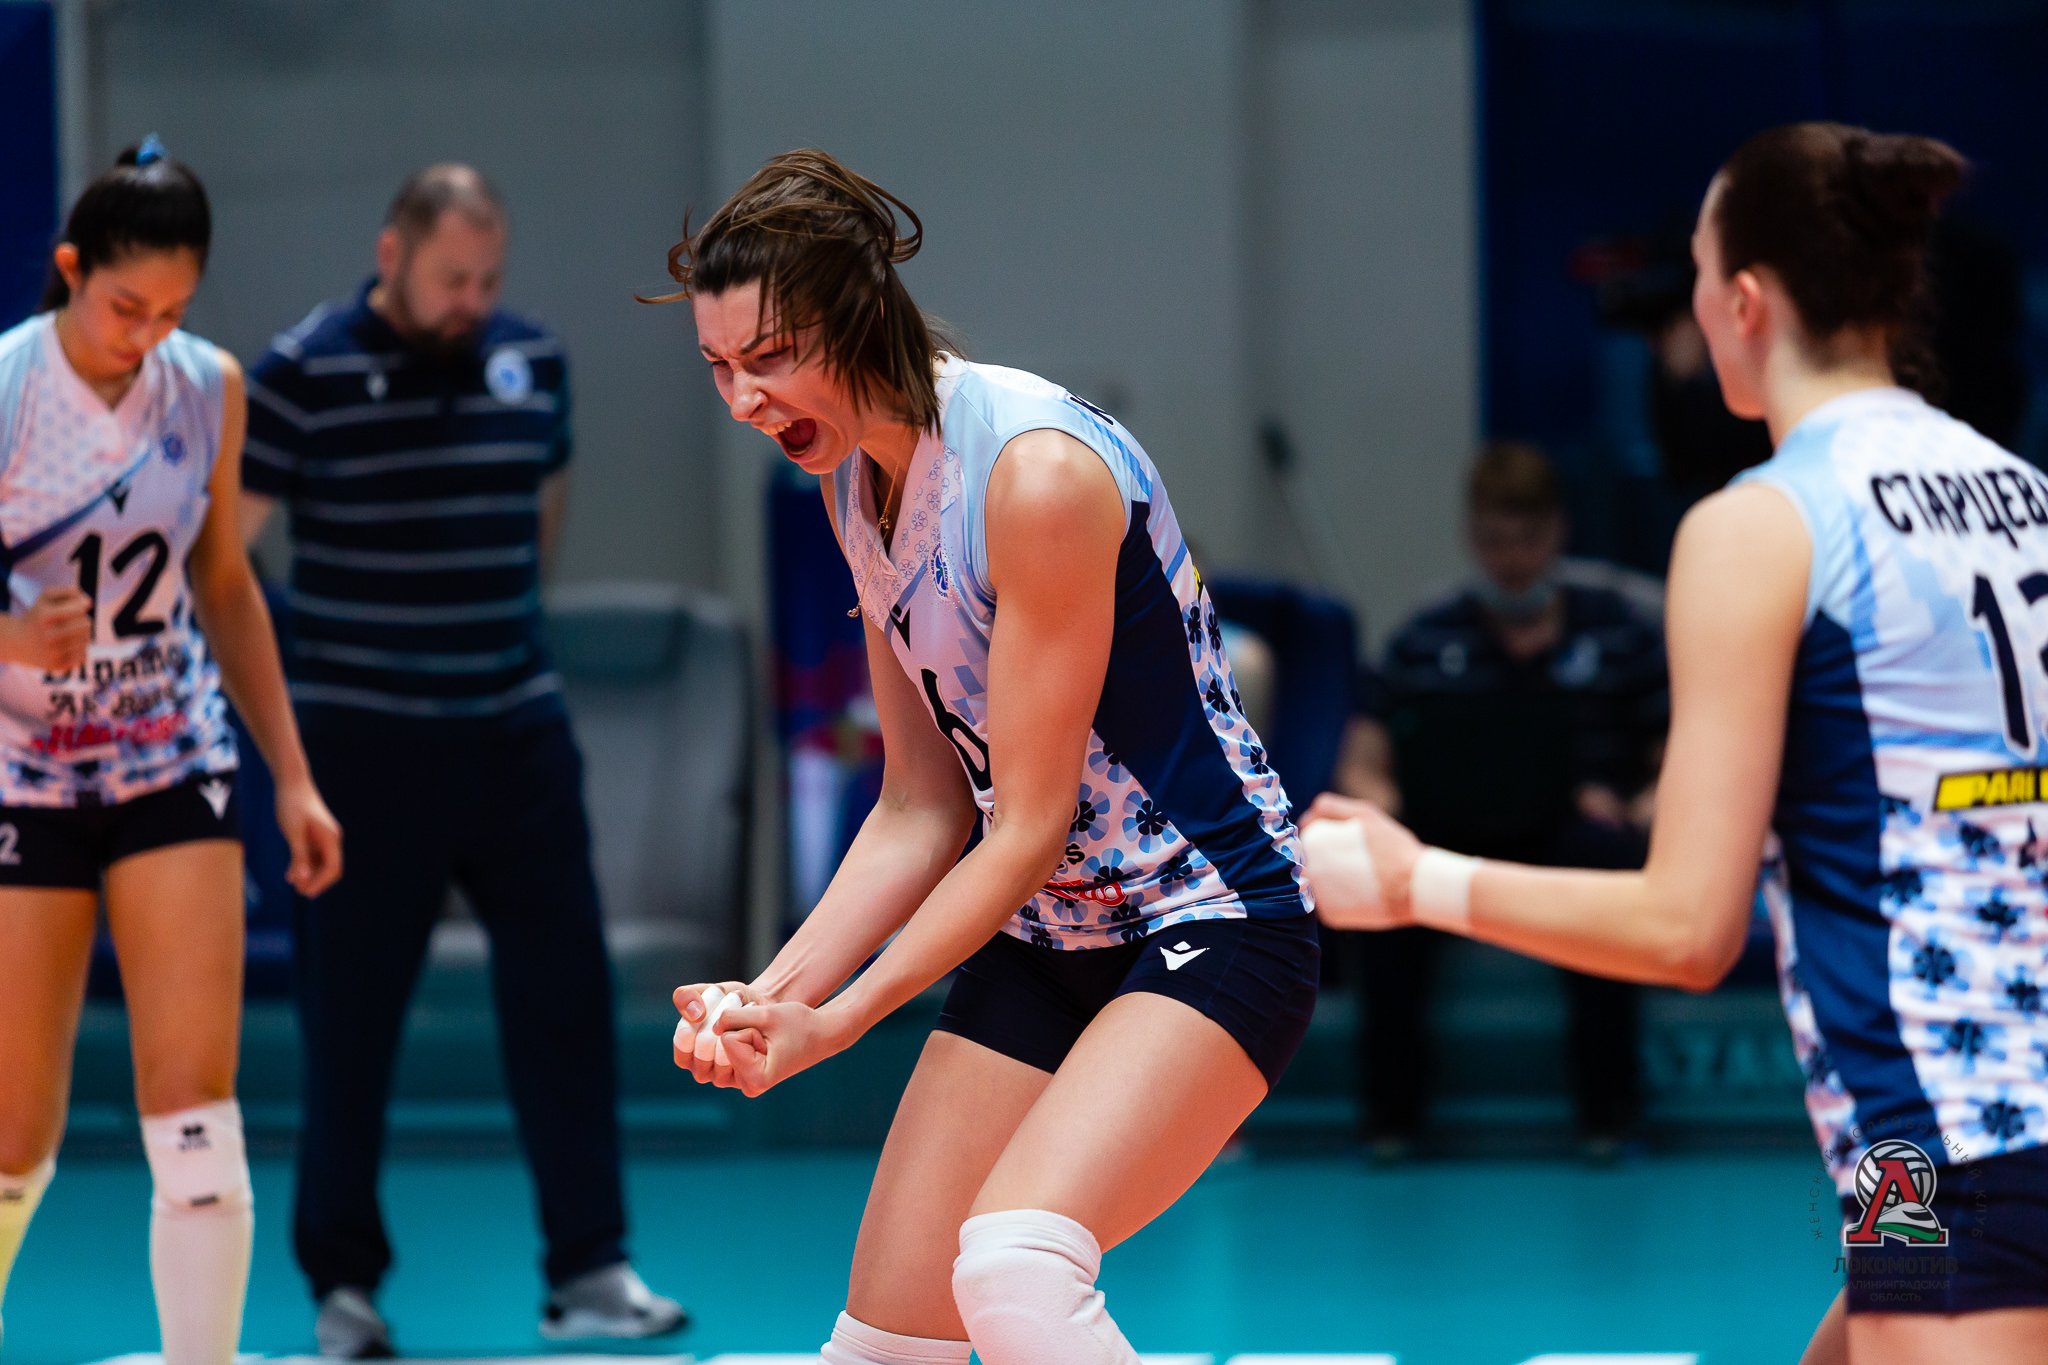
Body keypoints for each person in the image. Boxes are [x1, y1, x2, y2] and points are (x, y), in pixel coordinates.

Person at [1307, 123, 2048, 1364]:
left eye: (1695, 279)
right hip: (1960, 1153)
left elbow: (1684, 928)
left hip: (1944, 1140)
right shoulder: (2021, 495)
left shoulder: (1762, 525)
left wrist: (1409, 881)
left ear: (1742, 303)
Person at [660, 149, 1319, 1365]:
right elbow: (918, 807)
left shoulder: (1032, 476)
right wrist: (771, 996)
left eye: (768, 358)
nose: (742, 398)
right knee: (879, 1348)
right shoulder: (850, 486)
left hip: (1210, 920)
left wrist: (838, 1023)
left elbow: (1021, 824)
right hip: (1047, 938)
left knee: (1013, 1267)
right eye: (717, 367)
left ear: (858, 316)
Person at [239, 165, 683, 1357]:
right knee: (350, 1027)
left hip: (513, 732)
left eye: (486, 280)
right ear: (391, 253)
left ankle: (588, 1273)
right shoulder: (300, 374)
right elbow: (229, 560)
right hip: (359, 745)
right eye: (450, 279)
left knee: (565, 1004)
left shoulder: (531, 360)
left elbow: (542, 512)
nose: (470, 302)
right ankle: (343, 1290)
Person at [0, 138, 343, 1364]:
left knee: (196, 1114)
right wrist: (10, 637)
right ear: (69, 269)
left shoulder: (207, 386)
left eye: (173, 311)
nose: (146, 334)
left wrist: (292, 774)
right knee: (13, 1136)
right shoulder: (8, 387)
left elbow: (224, 581)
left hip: (169, 753)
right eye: (123, 307)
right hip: (21, 771)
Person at [1330, 442, 1664, 1159]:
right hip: (1449, 831)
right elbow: (1361, 760)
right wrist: (1386, 804)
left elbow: (1676, 760)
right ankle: (1391, 1121)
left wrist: (1642, 809)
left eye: (1528, 538)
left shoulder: (1621, 631)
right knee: (1377, 888)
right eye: (1494, 540)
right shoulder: (1424, 638)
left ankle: (1610, 1117)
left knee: (1605, 864)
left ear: (1559, 530)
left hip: (1577, 837)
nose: (1512, 559)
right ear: (1471, 534)